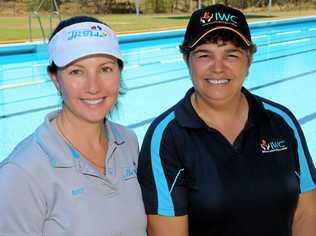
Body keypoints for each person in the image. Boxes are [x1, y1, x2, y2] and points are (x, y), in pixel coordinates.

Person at [137, 4, 316, 236]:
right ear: (186, 60)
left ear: (248, 61)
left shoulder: (282, 122)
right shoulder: (167, 137)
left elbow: (307, 213)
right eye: (204, 55)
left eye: (231, 54)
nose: (218, 68)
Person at [0, 16, 146, 235]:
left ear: (119, 72)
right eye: (76, 71)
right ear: (56, 79)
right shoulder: (21, 173)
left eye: (105, 69)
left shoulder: (127, 141)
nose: (93, 87)